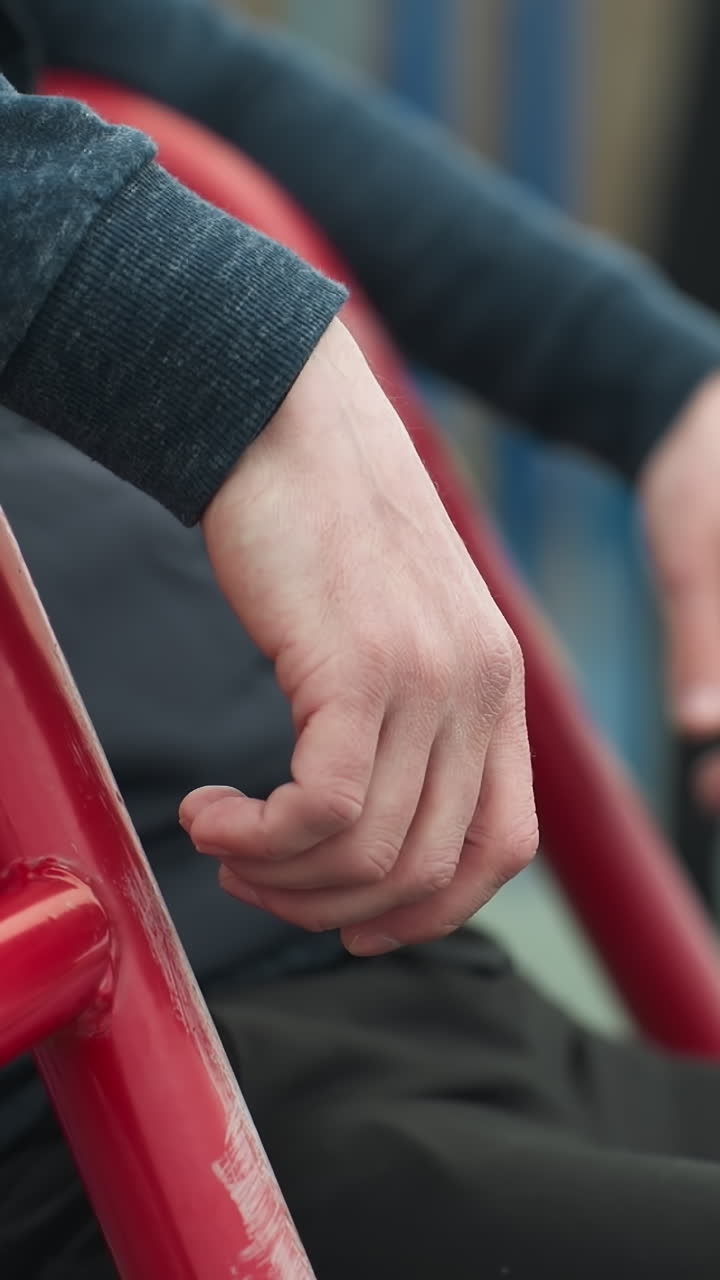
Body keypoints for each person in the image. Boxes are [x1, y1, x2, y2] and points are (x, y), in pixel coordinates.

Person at [2, 1, 720, 1275]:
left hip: (427, 997)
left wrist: (669, 390)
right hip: (96, 1122)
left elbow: (156, 51)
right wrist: (232, 360)